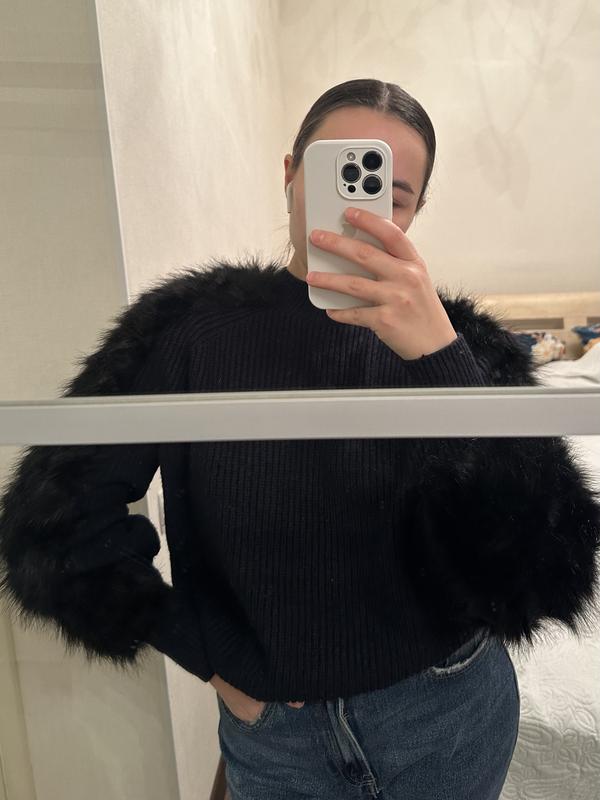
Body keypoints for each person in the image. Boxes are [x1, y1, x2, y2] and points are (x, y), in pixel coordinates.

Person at [1, 78, 599, 800]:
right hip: (276, 740)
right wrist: (204, 655)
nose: (356, 209)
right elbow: (51, 523)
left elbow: (549, 571)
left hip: (447, 713)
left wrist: (443, 363)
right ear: (289, 175)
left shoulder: (461, 343)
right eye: (331, 173)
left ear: (413, 211)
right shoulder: (189, 331)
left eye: (391, 194)